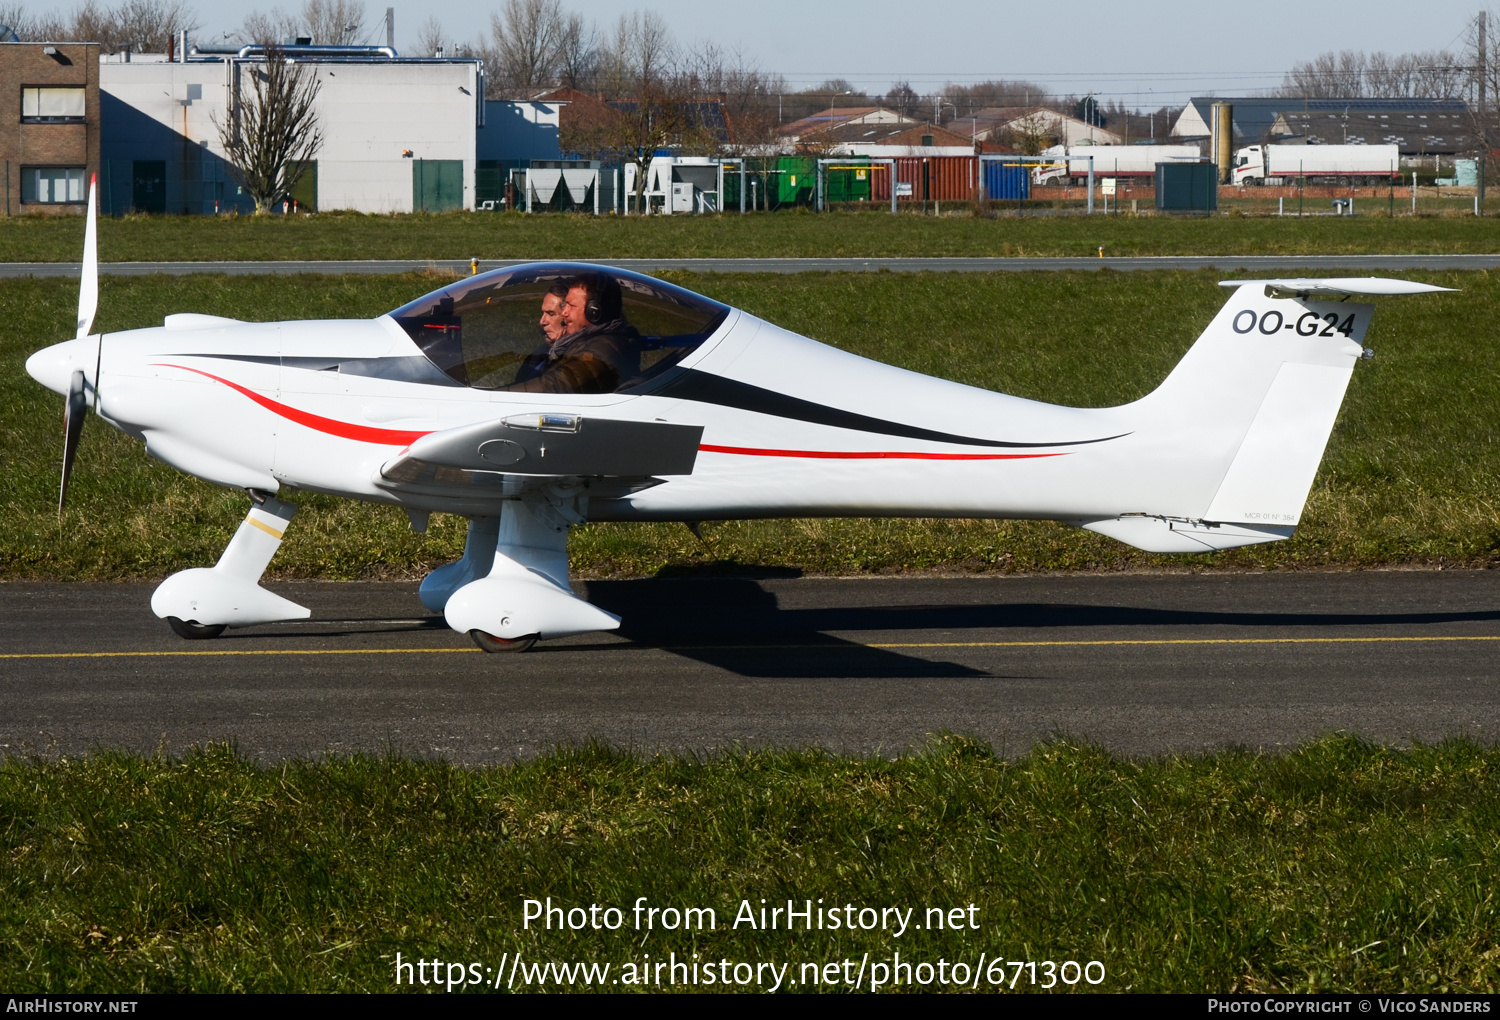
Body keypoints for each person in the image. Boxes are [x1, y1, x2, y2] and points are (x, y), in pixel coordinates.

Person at [507, 273, 640, 394]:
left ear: (593, 312)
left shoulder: (602, 350)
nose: (564, 313)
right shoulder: (578, 345)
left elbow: (553, 386)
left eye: (571, 306)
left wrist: (494, 396)